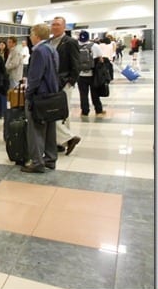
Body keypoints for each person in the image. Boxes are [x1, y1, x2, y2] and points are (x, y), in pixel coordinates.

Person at [21, 24, 59, 173]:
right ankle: (50, 159)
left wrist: (28, 94)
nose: (30, 37)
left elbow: (35, 77)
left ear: (37, 35)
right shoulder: (52, 49)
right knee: (50, 128)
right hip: (52, 94)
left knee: (35, 129)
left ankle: (37, 162)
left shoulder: (38, 51)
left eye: (31, 34)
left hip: (39, 95)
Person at [50, 16, 81, 156]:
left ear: (64, 27)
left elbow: (76, 64)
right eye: (53, 24)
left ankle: (68, 138)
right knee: (62, 113)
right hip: (52, 83)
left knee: (59, 112)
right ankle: (62, 142)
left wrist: (70, 82)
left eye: (57, 24)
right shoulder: (50, 42)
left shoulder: (70, 42)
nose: (55, 27)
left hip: (64, 83)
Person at [77, 31, 105, 118]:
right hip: (93, 75)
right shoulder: (95, 46)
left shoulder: (75, 46)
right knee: (95, 93)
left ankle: (85, 111)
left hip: (80, 75)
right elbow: (101, 59)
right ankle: (98, 110)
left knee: (83, 94)